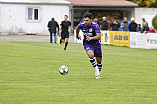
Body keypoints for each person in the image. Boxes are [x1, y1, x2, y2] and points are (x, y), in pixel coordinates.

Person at [76, 12, 102, 79]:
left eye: (87, 20)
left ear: (91, 20)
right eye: (84, 20)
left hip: (96, 44)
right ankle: (96, 68)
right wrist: (77, 35)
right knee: (91, 55)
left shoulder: (95, 26)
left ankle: (98, 70)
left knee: (99, 62)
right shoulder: (82, 25)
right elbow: (77, 28)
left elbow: (99, 36)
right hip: (87, 43)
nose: (85, 22)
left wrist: (91, 38)